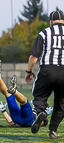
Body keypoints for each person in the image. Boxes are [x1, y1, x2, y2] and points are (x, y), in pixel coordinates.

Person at [25, 11, 64, 139]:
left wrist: (29, 71)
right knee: (61, 103)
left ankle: (41, 113)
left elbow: (34, 56)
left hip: (47, 70)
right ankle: (53, 130)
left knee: (39, 96)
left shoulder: (44, 33)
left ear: (51, 22)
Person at [0, 59, 53, 127]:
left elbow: (41, 121)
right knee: (8, 95)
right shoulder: (41, 115)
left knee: (23, 101)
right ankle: (2, 80)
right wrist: (4, 111)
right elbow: (11, 123)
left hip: (27, 120)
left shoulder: (39, 112)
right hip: (18, 120)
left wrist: (43, 117)